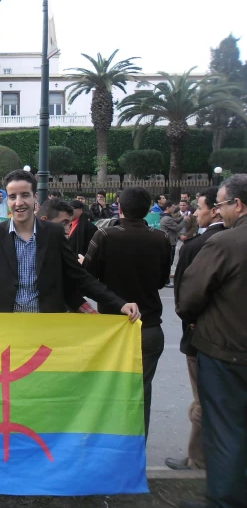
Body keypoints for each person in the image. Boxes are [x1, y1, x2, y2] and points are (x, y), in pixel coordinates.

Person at [0, 170, 140, 321]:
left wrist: (119, 304)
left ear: (35, 200)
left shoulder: (52, 234)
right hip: (6, 327)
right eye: (12, 196)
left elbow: (80, 277)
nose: (18, 202)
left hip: (46, 326)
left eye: (24, 195)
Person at [176, 174, 247, 508]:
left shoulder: (227, 243)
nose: (218, 210)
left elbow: (190, 295)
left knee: (225, 430)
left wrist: (192, 321)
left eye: (220, 203)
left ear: (238, 205)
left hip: (227, 352)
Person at [82, 187, 172, 438]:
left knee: (106, 393)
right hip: (149, 325)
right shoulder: (161, 238)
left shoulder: (105, 235)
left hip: (111, 327)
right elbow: (162, 280)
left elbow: (88, 278)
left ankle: (108, 451)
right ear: (148, 209)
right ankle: (134, 451)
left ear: (119, 207)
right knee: (141, 394)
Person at [165, 187, 225, 472]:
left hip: (204, 337)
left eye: (199, 207)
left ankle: (198, 459)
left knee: (203, 399)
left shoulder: (203, 245)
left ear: (216, 209)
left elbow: (185, 295)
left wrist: (188, 318)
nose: (195, 213)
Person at [160, 201, 183, 287]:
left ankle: (166, 280)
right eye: (172, 207)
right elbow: (177, 228)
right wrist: (185, 221)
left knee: (168, 261)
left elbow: (175, 220)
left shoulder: (166, 217)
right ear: (167, 208)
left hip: (169, 241)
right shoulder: (167, 218)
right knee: (169, 261)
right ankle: (167, 281)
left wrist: (183, 217)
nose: (174, 209)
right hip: (169, 241)